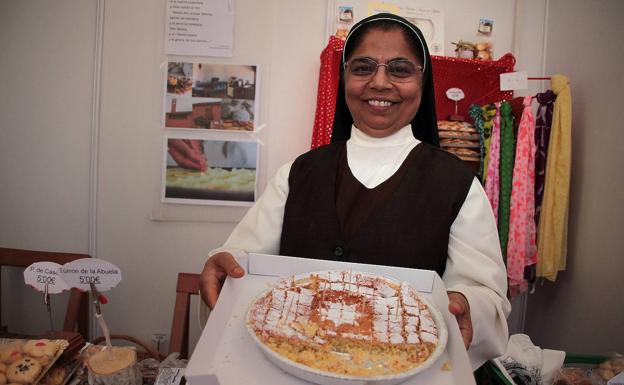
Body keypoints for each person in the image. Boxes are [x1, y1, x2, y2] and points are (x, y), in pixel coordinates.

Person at [200, 13, 510, 369]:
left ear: (422, 83)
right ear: (344, 77)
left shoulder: (458, 185)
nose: (380, 83)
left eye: (400, 69)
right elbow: (243, 262)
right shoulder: (297, 173)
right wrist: (224, 263)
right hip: (295, 370)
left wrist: (468, 304)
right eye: (363, 68)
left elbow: (487, 298)